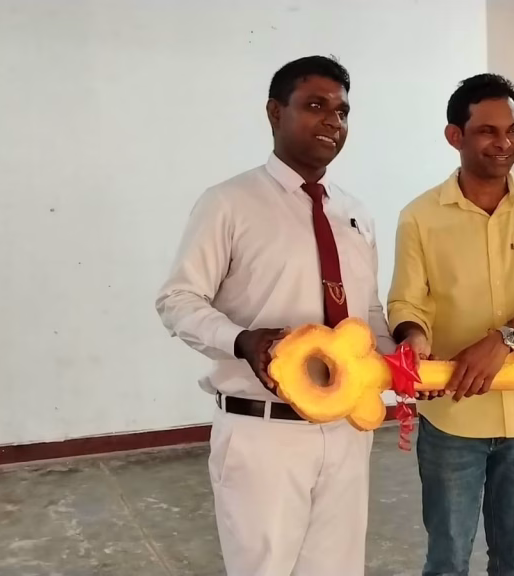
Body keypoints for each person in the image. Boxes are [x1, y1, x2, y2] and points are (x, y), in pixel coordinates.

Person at [155, 55, 392, 575]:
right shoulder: (229, 203)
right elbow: (178, 300)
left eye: (342, 111)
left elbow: (368, 313)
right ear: (274, 112)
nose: (333, 121)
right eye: (315, 106)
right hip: (263, 431)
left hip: (347, 430)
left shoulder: (355, 213)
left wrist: (404, 360)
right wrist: (243, 341)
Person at [388, 74, 514, 576]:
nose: (505, 143)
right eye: (488, 131)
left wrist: (504, 340)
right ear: (455, 136)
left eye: (513, 130)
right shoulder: (419, 217)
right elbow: (408, 301)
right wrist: (416, 341)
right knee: (447, 561)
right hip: (453, 417)